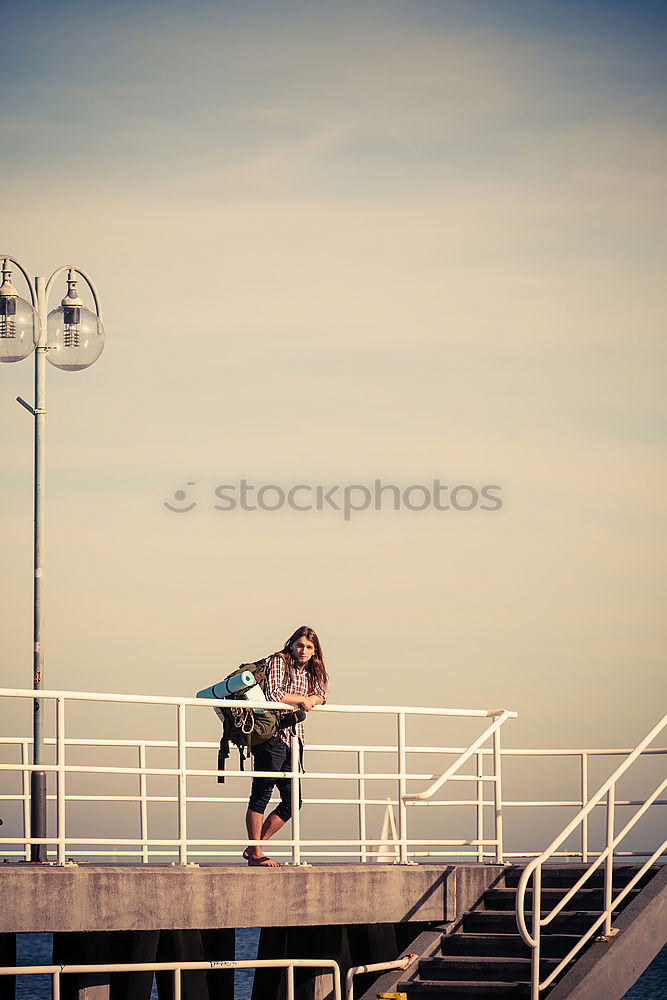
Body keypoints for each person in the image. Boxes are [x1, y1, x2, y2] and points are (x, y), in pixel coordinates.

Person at [243, 625, 328, 867]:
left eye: (309, 647)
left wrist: (314, 698)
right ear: (291, 644)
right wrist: (303, 699)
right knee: (261, 795)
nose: (303, 650)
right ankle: (256, 852)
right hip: (271, 737)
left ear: (315, 651)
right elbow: (273, 693)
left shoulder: (312, 670)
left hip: (295, 738)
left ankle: (254, 848)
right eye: (300, 645)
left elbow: (321, 693)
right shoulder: (279, 662)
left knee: (293, 801)